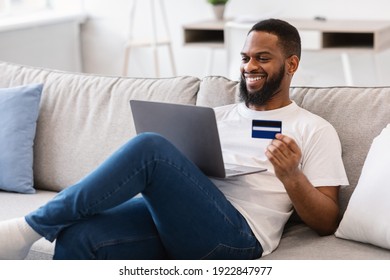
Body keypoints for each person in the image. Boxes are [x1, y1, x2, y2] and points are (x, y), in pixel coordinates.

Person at [0, 18, 348, 260]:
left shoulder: (313, 128)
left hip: (237, 237)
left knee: (151, 147)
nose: (249, 66)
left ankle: (28, 228)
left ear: (291, 64)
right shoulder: (217, 116)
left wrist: (291, 177)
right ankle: (38, 230)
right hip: (180, 219)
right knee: (79, 237)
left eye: (262, 58)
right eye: (244, 58)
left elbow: (327, 221)